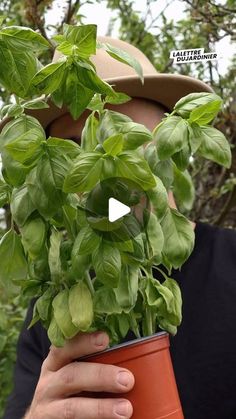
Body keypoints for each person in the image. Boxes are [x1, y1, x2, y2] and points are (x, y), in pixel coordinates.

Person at [1, 37, 236, 419]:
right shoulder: (55, 304)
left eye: (120, 135)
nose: (97, 172)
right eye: (74, 148)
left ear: (168, 144)